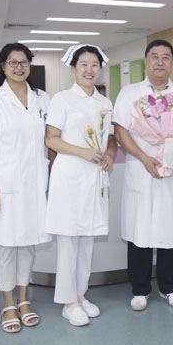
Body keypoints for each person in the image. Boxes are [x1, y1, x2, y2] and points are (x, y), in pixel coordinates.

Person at [113, 39, 173, 311]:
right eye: (155, 56)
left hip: (172, 172)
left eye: (166, 57)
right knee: (139, 230)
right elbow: (120, 131)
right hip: (141, 169)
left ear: (172, 62)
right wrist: (144, 158)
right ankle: (140, 289)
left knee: (169, 228)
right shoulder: (130, 93)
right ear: (146, 61)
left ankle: (168, 287)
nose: (160, 62)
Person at [0, 43, 51, 333]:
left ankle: (24, 299)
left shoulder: (42, 98)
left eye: (23, 62)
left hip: (35, 184)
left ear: (29, 65)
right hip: (4, 183)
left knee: (29, 244)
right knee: (6, 245)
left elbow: (50, 140)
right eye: (12, 62)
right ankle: (8, 303)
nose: (19, 67)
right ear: (3, 66)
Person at [45, 44, 117, 326]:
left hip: (96, 176)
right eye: (83, 64)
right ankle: (68, 302)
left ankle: (80, 293)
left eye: (94, 64)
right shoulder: (61, 100)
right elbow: (51, 139)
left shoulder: (105, 102)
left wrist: (109, 153)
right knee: (68, 240)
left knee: (88, 239)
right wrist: (82, 152)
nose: (89, 69)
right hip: (70, 176)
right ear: (73, 68)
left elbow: (111, 137)